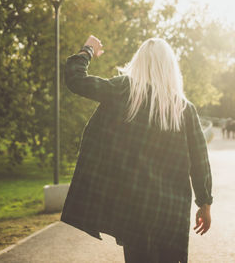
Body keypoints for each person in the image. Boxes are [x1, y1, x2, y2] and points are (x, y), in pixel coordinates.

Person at [60, 35, 213, 263]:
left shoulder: (124, 91)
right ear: (170, 67)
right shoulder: (183, 109)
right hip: (171, 211)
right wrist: (205, 203)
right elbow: (200, 161)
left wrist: (88, 50)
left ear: (139, 62)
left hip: (133, 209)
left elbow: (76, 80)